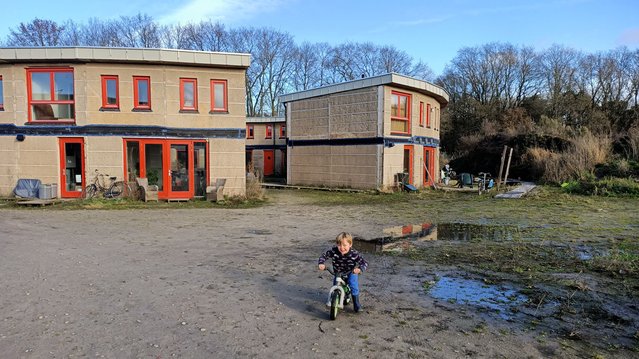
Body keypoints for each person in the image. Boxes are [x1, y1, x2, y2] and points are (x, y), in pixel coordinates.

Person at [318, 232, 368, 312]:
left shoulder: (354, 254)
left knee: (353, 284)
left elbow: (364, 263)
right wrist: (321, 263)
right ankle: (336, 298)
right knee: (335, 285)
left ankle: (356, 304)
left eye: (344, 245)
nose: (342, 248)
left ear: (350, 244)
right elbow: (324, 256)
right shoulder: (334, 251)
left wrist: (359, 269)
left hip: (351, 272)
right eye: (339, 245)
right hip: (338, 272)